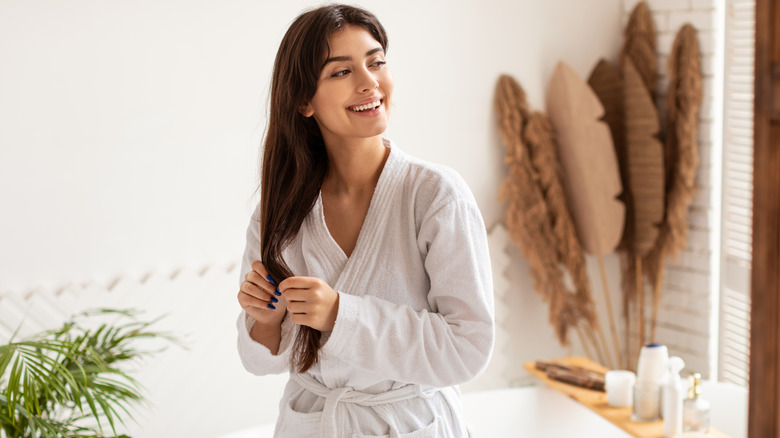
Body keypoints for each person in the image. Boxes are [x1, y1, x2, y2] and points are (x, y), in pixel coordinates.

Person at [235, 4, 494, 437]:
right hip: (313, 423)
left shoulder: (435, 196)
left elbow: (468, 348)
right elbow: (259, 362)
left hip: (408, 422)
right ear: (303, 101)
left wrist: (341, 314)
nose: (369, 82)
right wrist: (263, 321)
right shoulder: (278, 210)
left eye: (376, 62)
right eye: (341, 72)